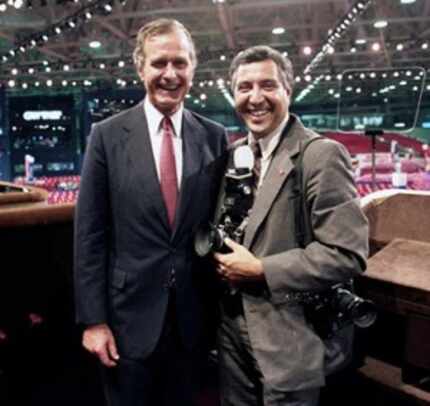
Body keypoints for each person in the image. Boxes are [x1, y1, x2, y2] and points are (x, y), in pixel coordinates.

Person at [74, 18, 227, 406]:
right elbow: (90, 235)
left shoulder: (214, 136)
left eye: (180, 63)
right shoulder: (106, 136)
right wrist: (94, 321)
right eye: (159, 63)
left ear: (193, 68)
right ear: (140, 67)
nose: (170, 74)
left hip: (193, 322)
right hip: (127, 324)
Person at [214, 45, 369, 406]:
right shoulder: (234, 154)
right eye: (244, 87)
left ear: (289, 90)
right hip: (230, 334)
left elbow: (346, 254)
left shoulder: (321, 155)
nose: (255, 98)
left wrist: (260, 269)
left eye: (268, 85)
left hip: (290, 337)